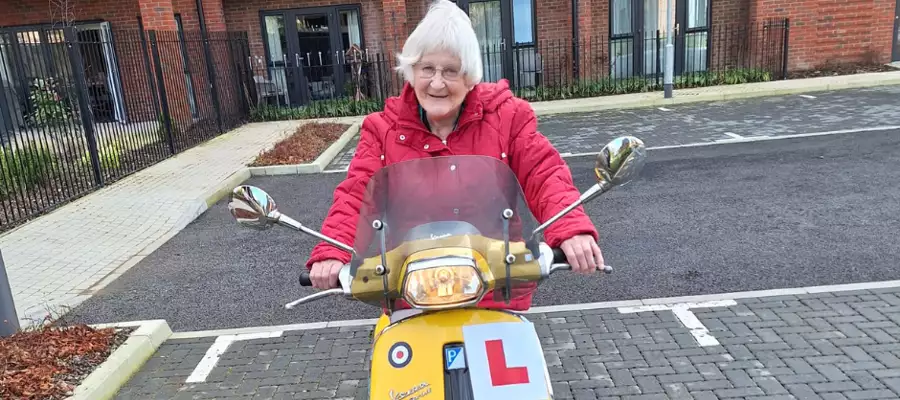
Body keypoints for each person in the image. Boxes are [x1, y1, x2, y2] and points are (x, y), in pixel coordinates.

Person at [305, 0, 604, 310]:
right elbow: (356, 195)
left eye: (450, 71)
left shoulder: (508, 117)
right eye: (427, 69)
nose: (437, 83)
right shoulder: (382, 130)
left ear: (469, 76)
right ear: (411, 70)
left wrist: (569, 227)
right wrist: (332, 250)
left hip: (494, 291)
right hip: (410, 297)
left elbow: (544, 174)